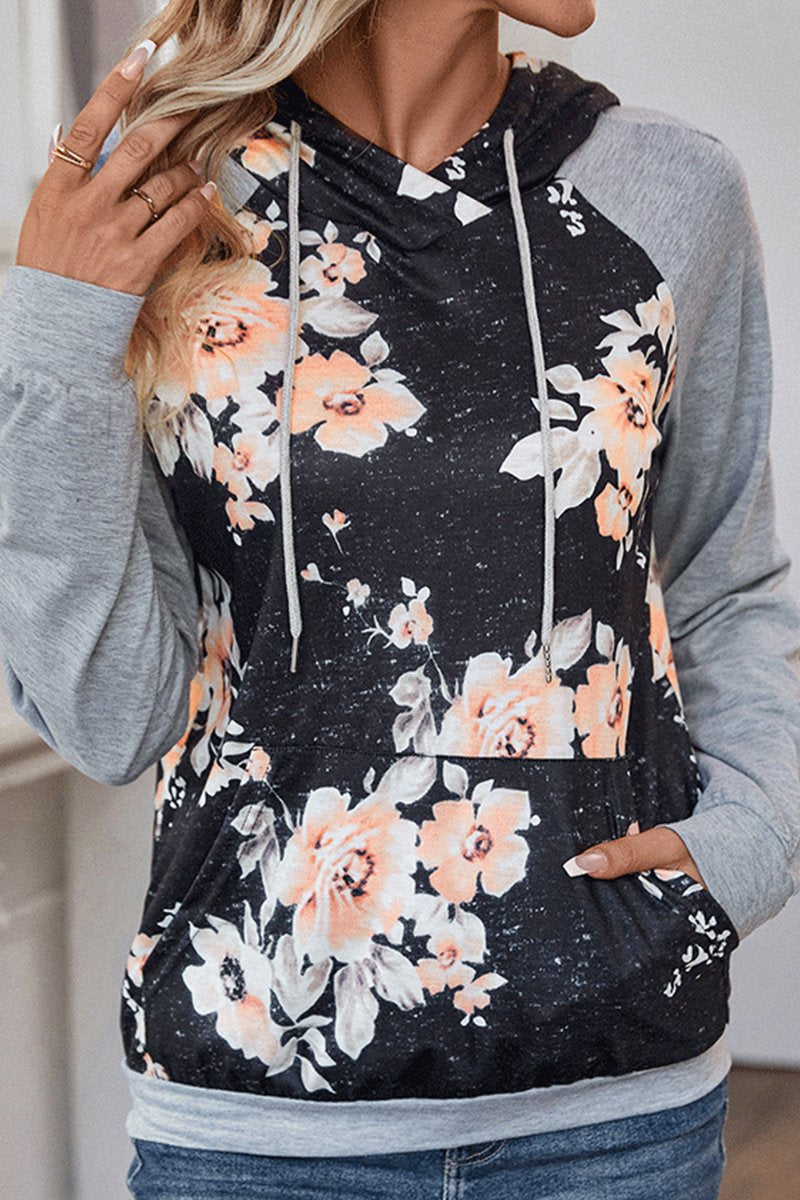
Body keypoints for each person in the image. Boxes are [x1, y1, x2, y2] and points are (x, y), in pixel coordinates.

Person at [1, 1, 799, 1196]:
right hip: (258, 1121)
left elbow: (725, 582)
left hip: (613, 1106)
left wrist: (749, 841)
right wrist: (54, 333)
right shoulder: (168, 205)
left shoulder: (667, 190)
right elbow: (110, 719)